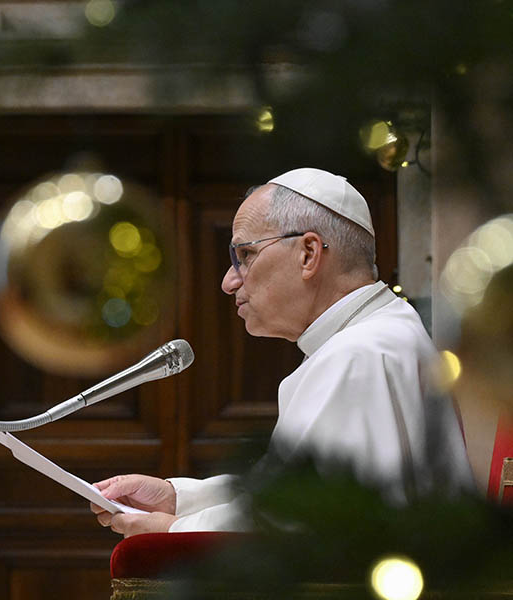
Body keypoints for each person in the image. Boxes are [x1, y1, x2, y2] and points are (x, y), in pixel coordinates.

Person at [91, 167, 474, 537]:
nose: (229, 281)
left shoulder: (360, 354)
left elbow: (311, 521)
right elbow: (291, 486)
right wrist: (178, 499)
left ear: (308, 253)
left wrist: (175, 531)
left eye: (245, 255)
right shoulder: (372, 334)